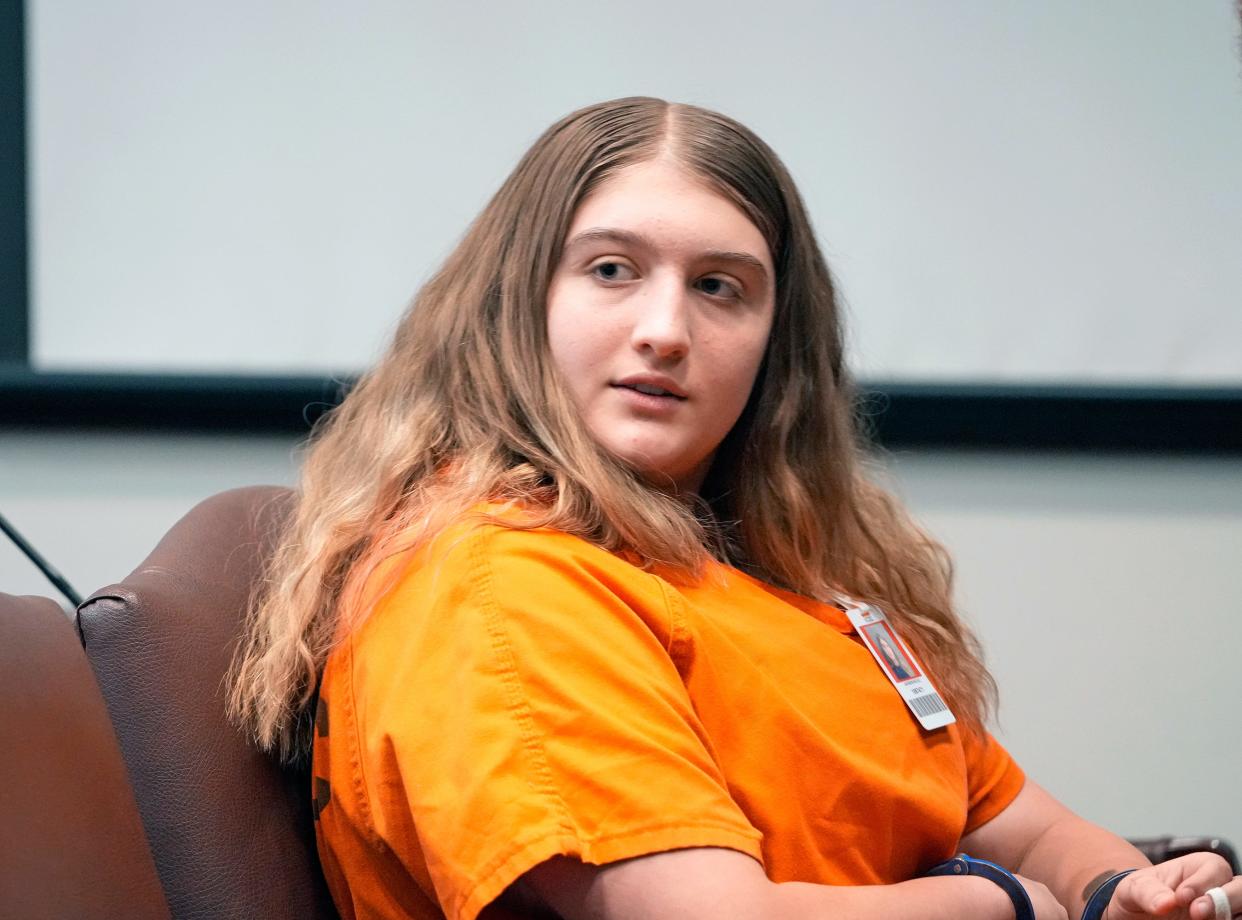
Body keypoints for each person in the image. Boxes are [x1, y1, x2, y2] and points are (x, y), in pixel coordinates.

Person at [227, 98, 1239, 920]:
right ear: (518, 304)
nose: (666, 329)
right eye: (612, 269)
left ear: (772, 347)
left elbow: (1017, 817)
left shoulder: (772, 577)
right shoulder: (502, 585)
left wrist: (1121, 887)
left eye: (721, 287)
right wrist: (997, 904)